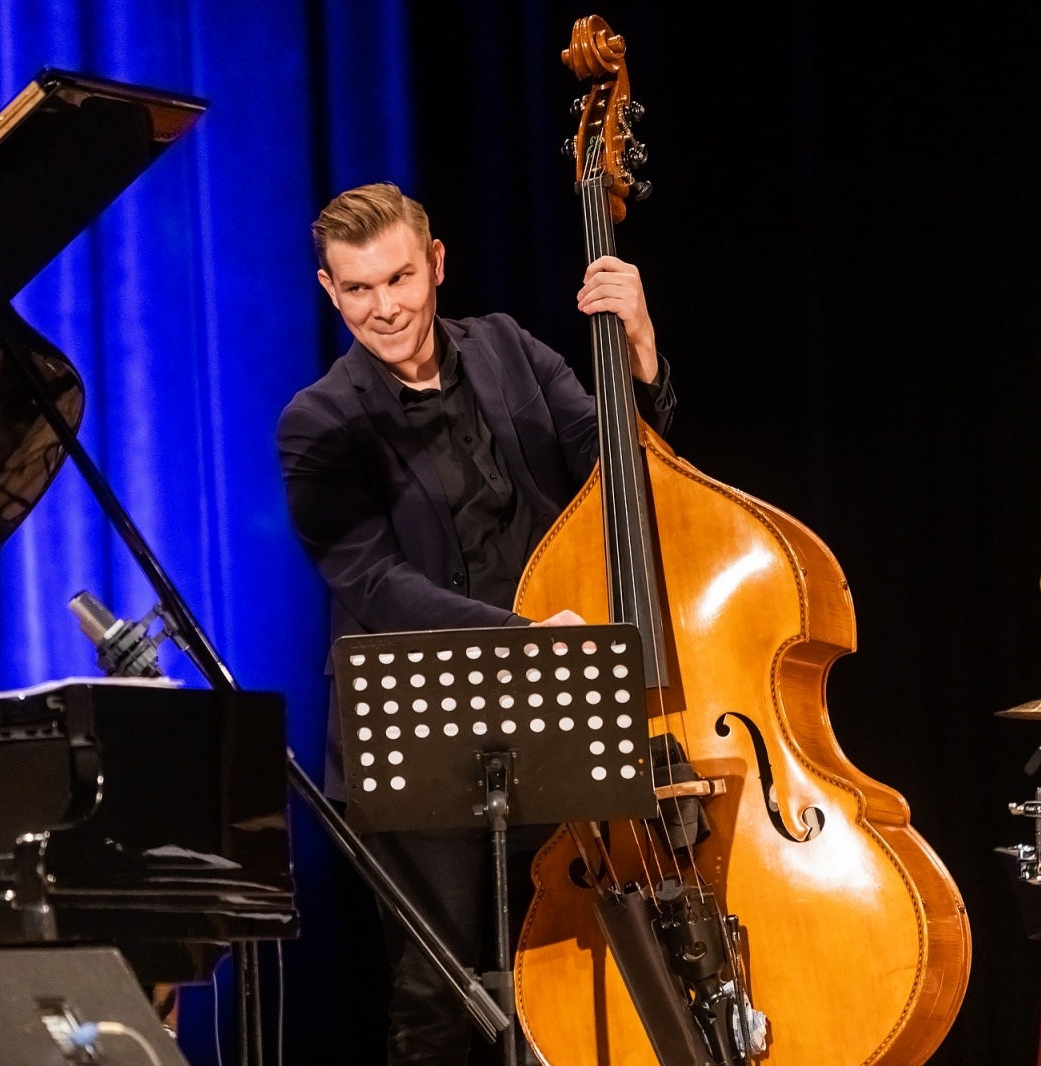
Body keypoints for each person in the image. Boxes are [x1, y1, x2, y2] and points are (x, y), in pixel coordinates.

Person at [276, 182, 674, 1064]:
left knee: (592, 974)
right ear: (329, 291)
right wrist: (525, 633)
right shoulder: (318, 423)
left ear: (437, 263)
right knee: (439, 999)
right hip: (420, 736)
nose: (385, 308)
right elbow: (374, 585)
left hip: (557, 715)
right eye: (359, 289)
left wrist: (639, 356)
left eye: (400, 278)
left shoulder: (509, 350)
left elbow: (622, 475)